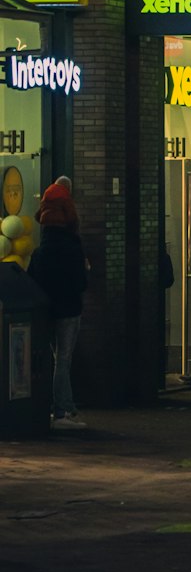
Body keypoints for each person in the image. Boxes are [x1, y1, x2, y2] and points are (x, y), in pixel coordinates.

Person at [28, 178, 89, 430]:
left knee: (54, 359)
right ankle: (62, 411)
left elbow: (31, 280)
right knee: (63, 360)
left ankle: (67, 406)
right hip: (69, 310)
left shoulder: (40, 251)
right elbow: (81, 283)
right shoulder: (73, 248)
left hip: (47, 311)